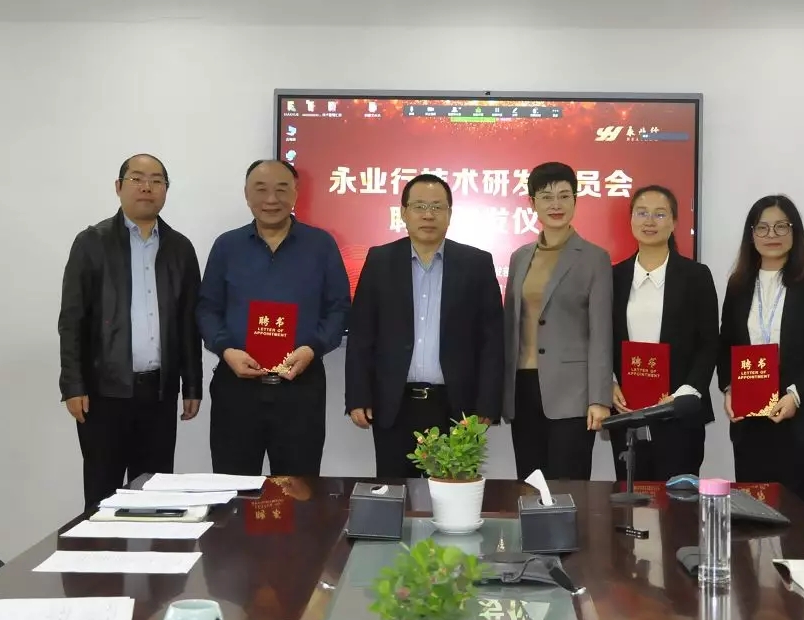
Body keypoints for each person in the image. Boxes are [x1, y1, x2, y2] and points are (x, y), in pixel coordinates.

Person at [58, 153, 203, 510]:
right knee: (102, 495)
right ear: (119, 186)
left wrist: (192, 385)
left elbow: (189, 322)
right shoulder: (91, 242)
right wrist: (73, 384)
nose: (146, 187)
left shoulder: (180, 248)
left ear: (166, 190)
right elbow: (72, 319)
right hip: (103, 393)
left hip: (159, 393)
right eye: (137, 178)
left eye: (156, 180)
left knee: (154, 496)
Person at [344, 174, 504, 478]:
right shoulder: (380, 260)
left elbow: (492, 341)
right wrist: (358, 396)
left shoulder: (476, 263)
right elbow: (362, 334)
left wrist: (487, 404)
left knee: (451, 494)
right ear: (403, 212)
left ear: (450, 214)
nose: (428, 215)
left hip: (456, 407)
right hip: (394, 404)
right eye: (419, 206)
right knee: (395, 493)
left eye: (437, 207)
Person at [197, 159, 350, 476]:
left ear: (296, 193)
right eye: (261, 189)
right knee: (233, 488)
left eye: (281, 189)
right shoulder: (227, 246)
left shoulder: (321, 245)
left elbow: (339, 308)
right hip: (236, 388)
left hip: (300, 389)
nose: (271, 199)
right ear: (246, 194)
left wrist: (312, 348)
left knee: (298, 489)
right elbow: (207, 308)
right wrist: (227, 350)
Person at [717, 195, 804, 512]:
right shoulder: (738, 285)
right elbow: (726, 343)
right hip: (751, 423)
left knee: (802, 519)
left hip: (801, 418)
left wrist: (796, 396)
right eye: (762, 227)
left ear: (794, 231)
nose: (771, 235)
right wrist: (729, 388)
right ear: (751, 234)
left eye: (781, 226)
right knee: (755, 519)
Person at [503, 162, 614, 480]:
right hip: (523, 389)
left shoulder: (594, 257)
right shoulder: (520, 257)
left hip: (573, 393)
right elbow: (511, 325)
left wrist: (599, 398)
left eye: (564, 196)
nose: (556, 204)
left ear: (575, 200)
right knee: (530, 484)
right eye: (546, 196)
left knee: (570, 485)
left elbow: (601, 332)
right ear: (532, 202)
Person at [609, 185, 719, 481]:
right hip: (627, 412)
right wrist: (610, 382)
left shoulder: (696, 276)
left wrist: (684, 395)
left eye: (659, 214)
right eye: (641, 213)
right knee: (632, 498)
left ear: (674, 222)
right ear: (631, 220)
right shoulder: (614, 277)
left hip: (679, 414)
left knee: (678, 500)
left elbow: (710, 344)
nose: (650, 221)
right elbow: (603, 339)